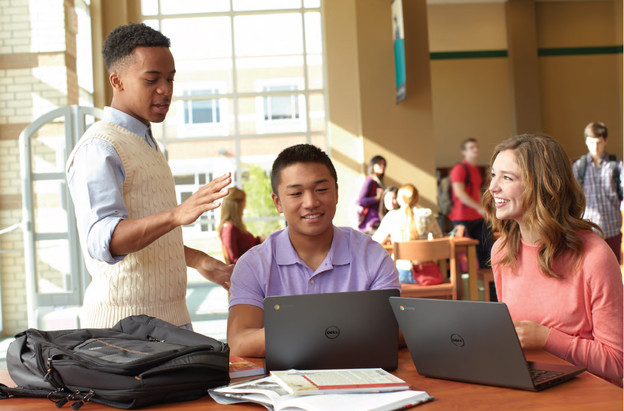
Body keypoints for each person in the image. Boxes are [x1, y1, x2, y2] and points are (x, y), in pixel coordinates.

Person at [66, 23, 233, 329]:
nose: (165, 90)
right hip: (124, 331)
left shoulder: (147, 144)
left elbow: (147, 238)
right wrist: (177, 214)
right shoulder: (100, 147)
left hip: (169, 322)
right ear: (117, 81)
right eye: (151, 80)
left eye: (169, 79)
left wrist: (197, 260)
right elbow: (106, 240)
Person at [227, 144, 400, 357]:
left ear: (336, 192)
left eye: (321, 190)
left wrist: (298, 333)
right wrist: (333, 331)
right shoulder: (253, 265)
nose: (311, 202)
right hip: (283, 384)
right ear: (277, 202)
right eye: (296, 193)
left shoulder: (372, 256)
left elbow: (392, 330)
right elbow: (240, 342)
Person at [483, 134, 623, 385]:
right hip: (531, 385)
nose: (493, 187)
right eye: (493, 175)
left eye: (507, 177)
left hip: (592, 395)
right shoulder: (502, 251)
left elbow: (616, 363)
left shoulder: (595, 256)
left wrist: (547, 338)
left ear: (543, 185)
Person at [572, 122, 623, 264]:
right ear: (586, 142)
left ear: (605, 141)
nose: (595, 147)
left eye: (599, 142)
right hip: (589, 230)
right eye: (591, 142)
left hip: (612, 228)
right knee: (592, 268)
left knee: (614, 267)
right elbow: (572, 197)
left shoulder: (616, 166)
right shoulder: (578, 167)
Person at [373, 184, 443, 283]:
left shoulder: (391, 217)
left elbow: (375, 243)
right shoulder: (427, 215)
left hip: (400, 276)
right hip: (425, 274)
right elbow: (439, 240)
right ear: (417, 199)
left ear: (399, 199)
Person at [448, 138, 492, 268]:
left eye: (476, 147)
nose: (475, 150)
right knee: (462, 257)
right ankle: (465, 286)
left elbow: (477, 193)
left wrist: (483, 209)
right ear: (464, 152)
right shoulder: (459, 169)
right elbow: (460, 193)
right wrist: (479, 208)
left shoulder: (475, 170)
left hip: (477, 217)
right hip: (461, 219)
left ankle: (489, 286)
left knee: (485, 252)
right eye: (471, 147)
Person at [218, 187, 262, 264]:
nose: (244, 207)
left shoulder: (236, 227)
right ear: (237, 206)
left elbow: (252, 244)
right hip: (247, 272)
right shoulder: (229, 229)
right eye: (244, 203)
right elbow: (233, 260)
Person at [356, 155, 386, 232]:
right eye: (379, 164)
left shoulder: (379, 182)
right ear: (373, 166)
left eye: (384, 164)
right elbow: (361, 200)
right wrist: (376, 198)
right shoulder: (370, 180)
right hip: (372, 220)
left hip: (379, 217)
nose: (382, 166)